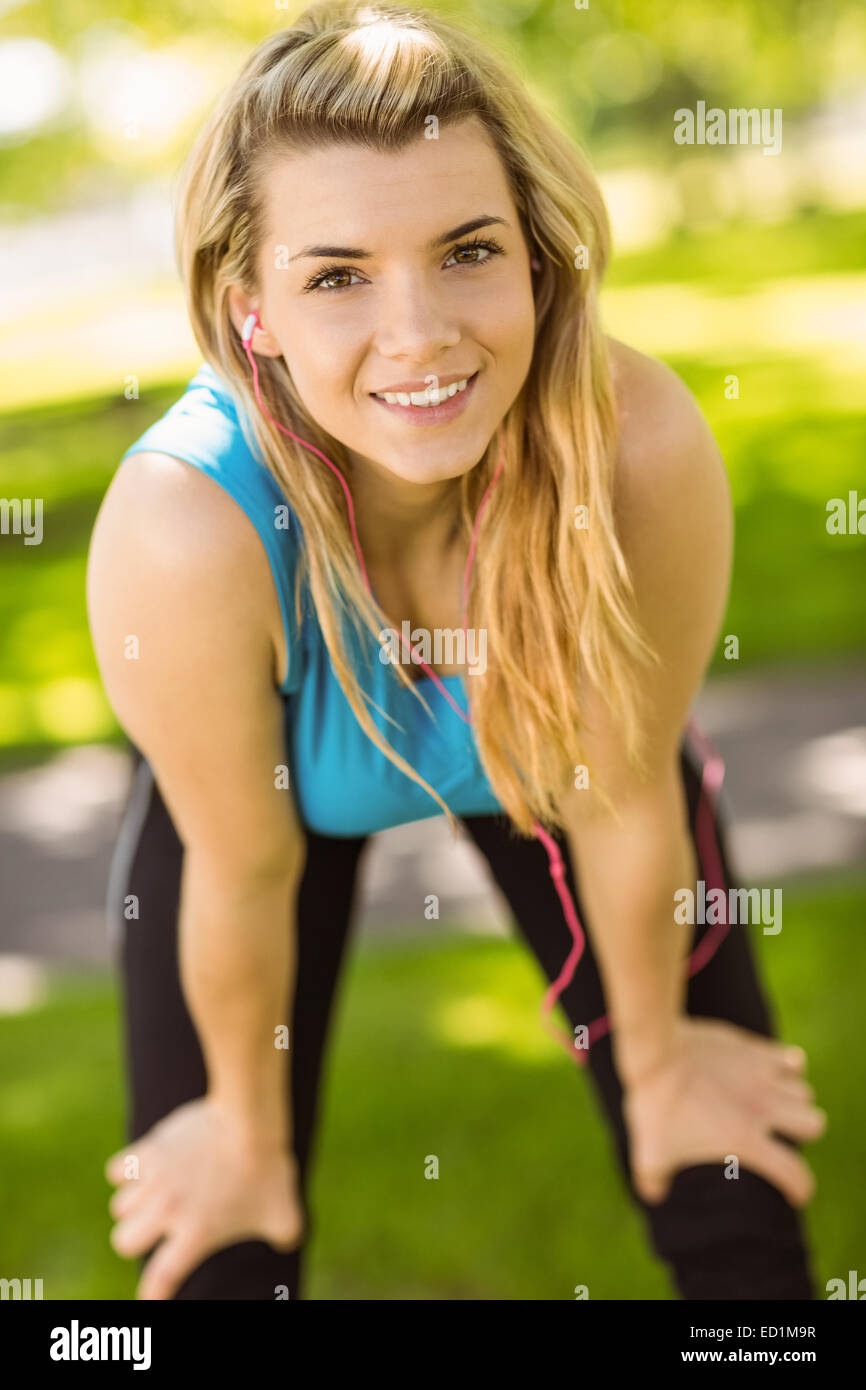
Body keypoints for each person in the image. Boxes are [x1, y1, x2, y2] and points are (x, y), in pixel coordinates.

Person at [86, 0, 825, 1301]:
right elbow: (244, 873)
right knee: (220, 1243)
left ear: (536, 256)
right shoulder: (185, 527)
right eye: (336, 275)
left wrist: (657, 1065)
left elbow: (618, 793)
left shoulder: (634, 446)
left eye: (467, 249)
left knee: (726, 1184)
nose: (420, 331)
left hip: (585, 761)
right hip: (256, 828)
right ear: (249, 306)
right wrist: (248, 1140)